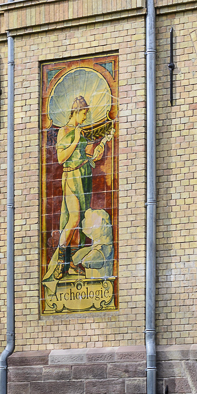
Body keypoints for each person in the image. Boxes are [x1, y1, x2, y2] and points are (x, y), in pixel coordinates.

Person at [52, 95, 109, 280]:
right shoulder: (65, 131)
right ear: (77, 112)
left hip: (84, 176)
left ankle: (72, 263)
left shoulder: (81, 132)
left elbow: (87, 156)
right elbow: (61, 158)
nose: (85, 118)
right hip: (71, 176)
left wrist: (97, 153)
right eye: (84, 114)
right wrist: (76, 139)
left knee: (81, 220)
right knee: (74, 218)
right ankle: (61, 262)